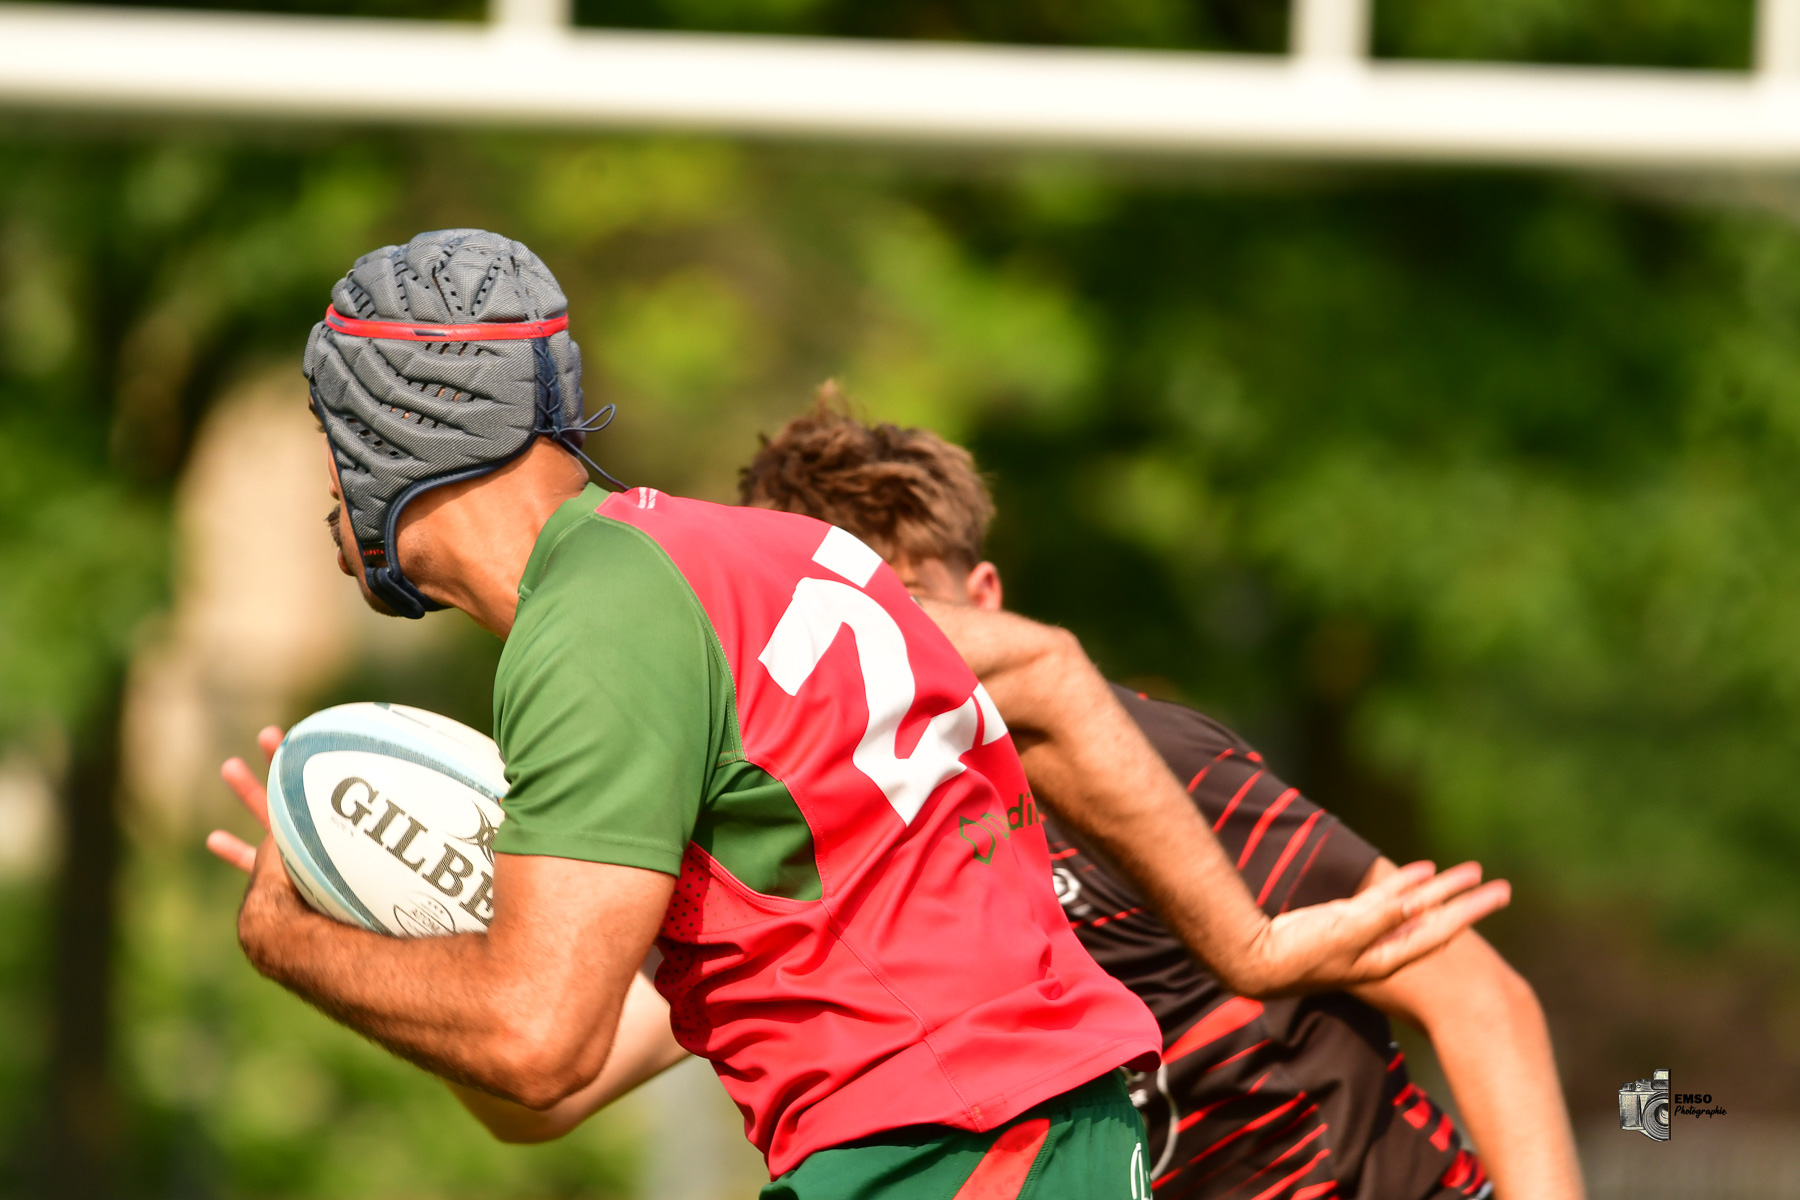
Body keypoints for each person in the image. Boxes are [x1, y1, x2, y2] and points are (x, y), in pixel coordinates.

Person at [206, 230, 1508, 1199]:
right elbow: (1047, 680)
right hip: (1045, 1130)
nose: (325, 481)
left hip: (933, 1150)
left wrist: (288, 934)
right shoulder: (758, 562)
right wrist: (1251, 946)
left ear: (389, 431)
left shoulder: (595, 624)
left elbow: (535, 1042)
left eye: (328, 436)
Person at [734, 394, 1583, 1200]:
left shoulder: (1142, 765)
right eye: (845, 632)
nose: (888, 659)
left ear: (987, 601)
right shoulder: (831, 838)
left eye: (912, 612)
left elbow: (1479, 998)